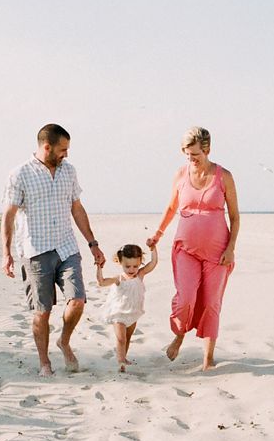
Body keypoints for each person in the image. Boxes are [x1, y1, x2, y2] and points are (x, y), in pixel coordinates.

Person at [1, 123, 106, 377]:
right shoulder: (20, 174)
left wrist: (93, 243)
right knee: (42, 311)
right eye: (62, 149)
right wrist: (6, 253)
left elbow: (77, 209)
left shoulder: (68, 172)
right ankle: (44, 362)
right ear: (46, 147)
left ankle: (64, 341)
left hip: (67, 246)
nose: (66, 154)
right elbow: (8, 215)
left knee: (78, 300)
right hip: (35, 250)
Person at [146, 126, 240, 371]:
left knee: (211, 303)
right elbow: (170, 208)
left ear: (207, 150)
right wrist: (157, 234)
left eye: (195, 155)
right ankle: (179, 336)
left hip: (218, 252)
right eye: (187, 155)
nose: (191, 160)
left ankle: (208, 360)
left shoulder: (224, 176)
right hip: (185, 248)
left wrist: (230, 249)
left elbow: (235, 217)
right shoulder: (180, 174)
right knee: (186, 298)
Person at [93, 243, 158, 372]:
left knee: (128, 338)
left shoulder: (140, 275)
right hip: (119, 313)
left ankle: (124, 357)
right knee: (121, 339)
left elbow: (153, 263)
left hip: (133, 313)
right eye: (127, 266)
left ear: (140, 263)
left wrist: (153, 249)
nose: (132, 269)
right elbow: (101, 282)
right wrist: (99, 268)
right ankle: (120, 362)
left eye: (135, 266)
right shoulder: (120, 278)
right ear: (120, 262)